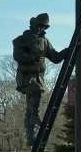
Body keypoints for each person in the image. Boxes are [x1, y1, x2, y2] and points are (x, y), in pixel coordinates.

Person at [12, 13, 70, 145]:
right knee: (34, 96)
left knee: (31, 106)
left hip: (38, 77)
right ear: (33, 25)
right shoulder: (22, 39)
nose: (41, 28)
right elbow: (17, 56)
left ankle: (31, 135)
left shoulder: (44, 41)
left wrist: (67, 51)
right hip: (27, 76)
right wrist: (33, 56)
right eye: (39, 26)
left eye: (44, 27)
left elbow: (55, 57)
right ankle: (34, 119)